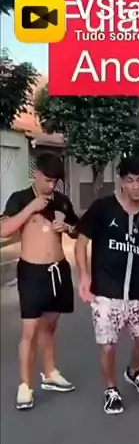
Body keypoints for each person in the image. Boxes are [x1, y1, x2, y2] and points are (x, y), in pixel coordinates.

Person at [75, 156, 139, 414]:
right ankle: (111, 390)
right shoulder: (103, 208)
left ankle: (133, 372)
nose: (136, 186)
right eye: (130, 180)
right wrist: (84, 276)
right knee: (108, 345)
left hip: (137, 293)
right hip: (106, 292)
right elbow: (81, 242)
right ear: (122, 181)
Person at [0, 153, 78, 410]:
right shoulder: (20, 198)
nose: (51, 185)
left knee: (50, 325)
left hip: (58, 271)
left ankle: (50, 372)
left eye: (55, 181)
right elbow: (4, 230)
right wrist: (31, 208)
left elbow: (78, 230)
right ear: (36, 174)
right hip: (32, 272)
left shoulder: (62, 201)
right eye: (47, 179)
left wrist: (67, 228)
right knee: (30, 331)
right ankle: (25, 385)